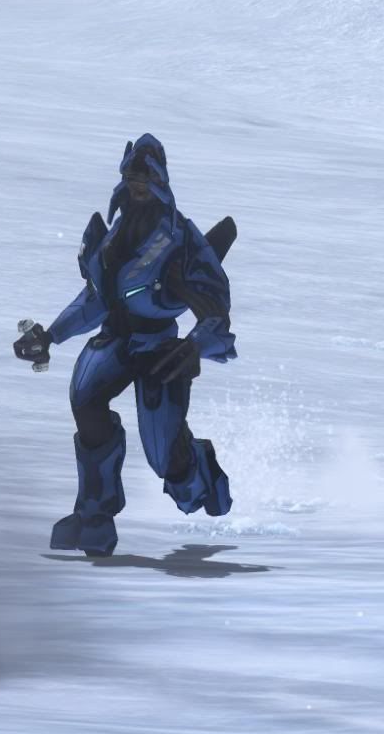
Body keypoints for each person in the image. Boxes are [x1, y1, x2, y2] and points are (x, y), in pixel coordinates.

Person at [14, 133, 237, 556]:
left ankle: (200, 477)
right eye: (132, 178)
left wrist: (195, 346)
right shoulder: (113, 235)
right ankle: (94, 515)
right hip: (115, 339)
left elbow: (215, 310)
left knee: (164, 457)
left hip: (159, 350)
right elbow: (95, 299)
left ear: (160, 182)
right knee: (86, 403)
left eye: (145, 179)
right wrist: (51, 335)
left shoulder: (181, 241)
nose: (137, 186)